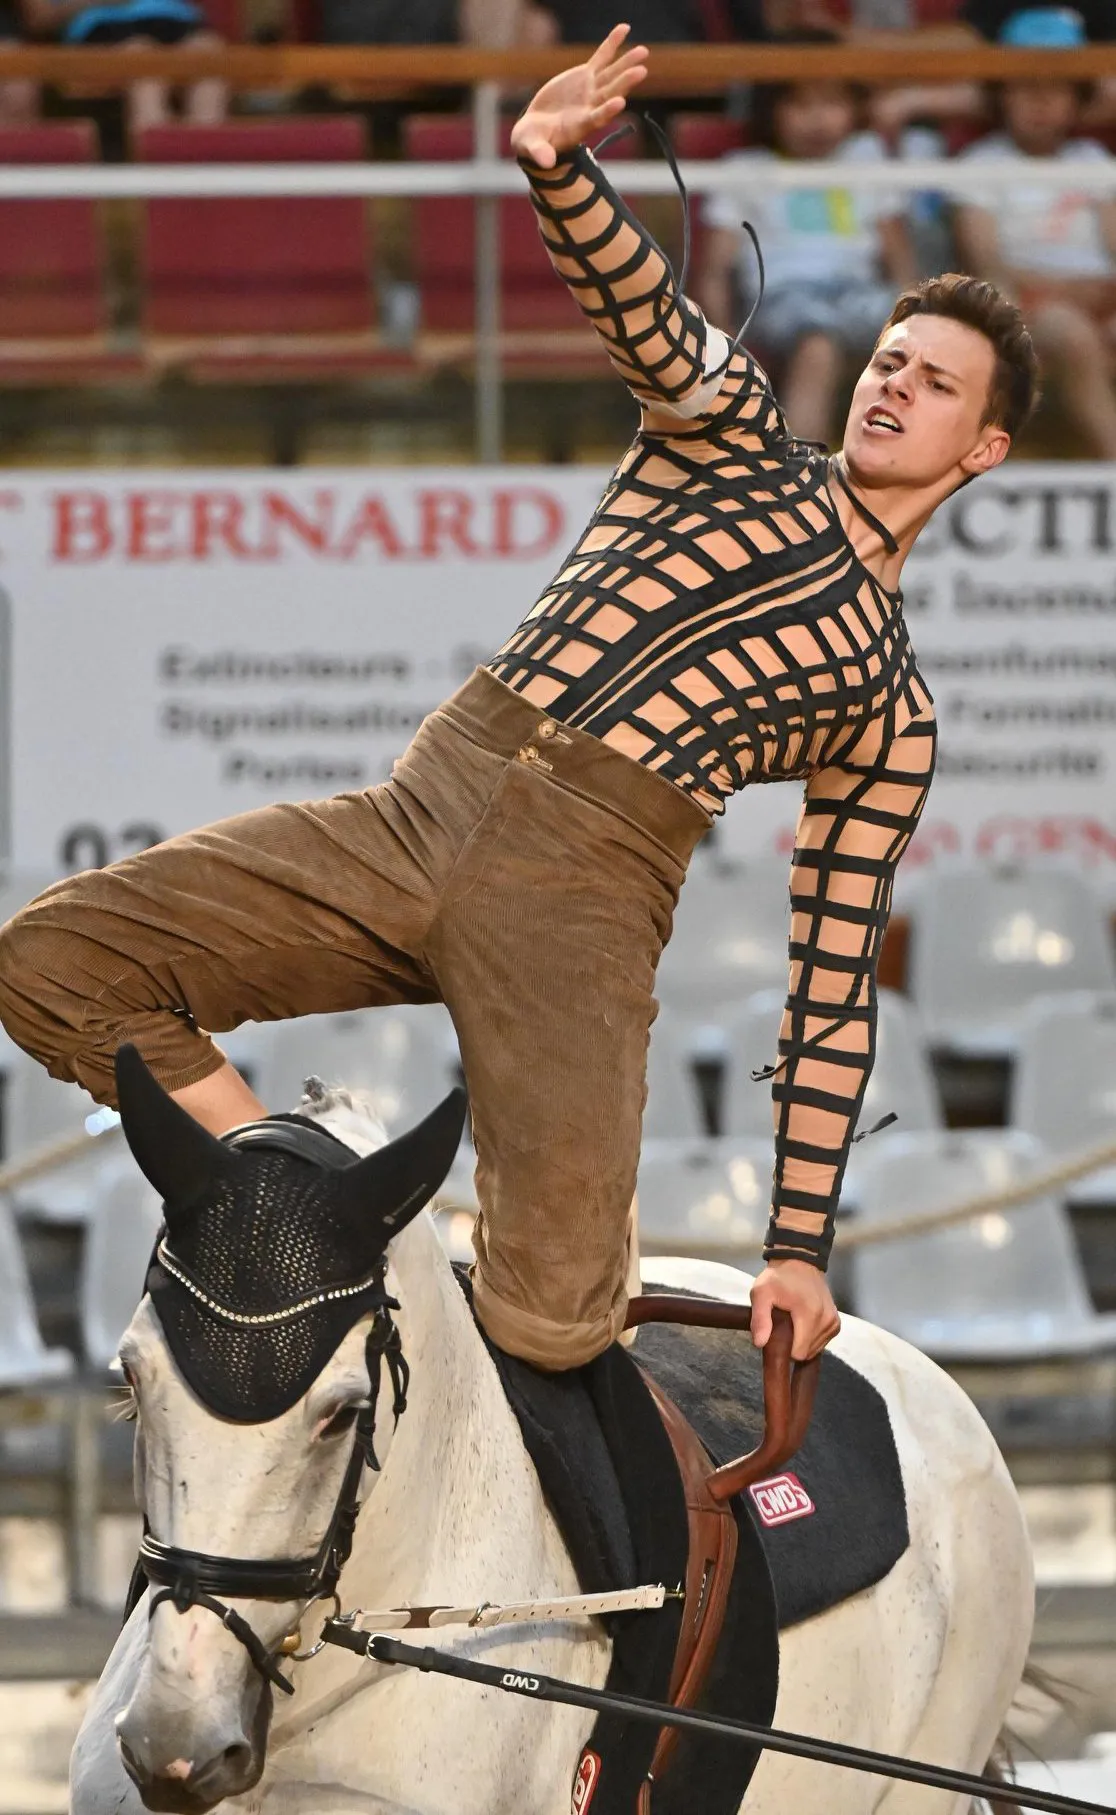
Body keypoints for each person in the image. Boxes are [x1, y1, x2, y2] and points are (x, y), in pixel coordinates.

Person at [0, 26, 1038, 1374]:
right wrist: (555, 167)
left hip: (588, 899)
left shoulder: (892, 708)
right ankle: (278, 1211)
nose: (897, 381)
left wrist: (797, 1242)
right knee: (54, 960)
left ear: (989, 445)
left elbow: (830, 990)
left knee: (554, 1319)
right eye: (893, 357)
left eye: (936, 380)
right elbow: (645, 310)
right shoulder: (735, 430)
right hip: (428, 803)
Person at [700, 57, 919, 442]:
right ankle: (803, 477)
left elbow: (898, 256)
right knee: (818, 345)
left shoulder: (869, 163)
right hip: (782, 299)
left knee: (921, 347)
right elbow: (714, 269)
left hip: (859, 294)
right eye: (801, 105)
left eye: (832, 104)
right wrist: (724, 342)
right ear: (772, 111)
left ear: (854, 110)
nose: (817, 119)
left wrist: (921, 320)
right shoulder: (745, 169)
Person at [952, 73, 1116, 455]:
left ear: (1077, 101)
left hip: (1101, 292)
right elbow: (987, 261)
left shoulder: (1092, 159)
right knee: (1074, 335)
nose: (1041, 103)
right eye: (1026, 88)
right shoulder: (980, 163)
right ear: (1002, 98)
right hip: (1028, 298)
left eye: (1056, 89)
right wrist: (1064, 289)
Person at [18, 0, 227, 132]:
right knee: (141, 56)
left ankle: (206, 163)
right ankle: (161, 162)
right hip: (105, 25)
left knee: (209, 55)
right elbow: (39, 18)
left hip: (175, 20)